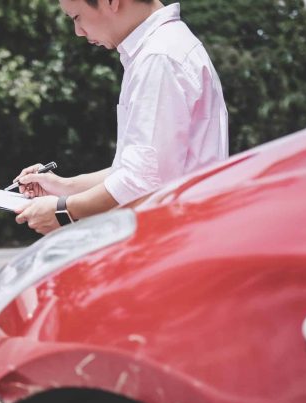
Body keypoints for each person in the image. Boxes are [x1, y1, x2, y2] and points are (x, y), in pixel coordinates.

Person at [15, 0, 228, 234]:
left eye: (76, 17)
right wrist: (66, 186)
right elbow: (143, 168)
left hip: (177, 237)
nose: (78, 32)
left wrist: (64, 210)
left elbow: (141, 180)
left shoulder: (158, 58)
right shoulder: (160, 49)